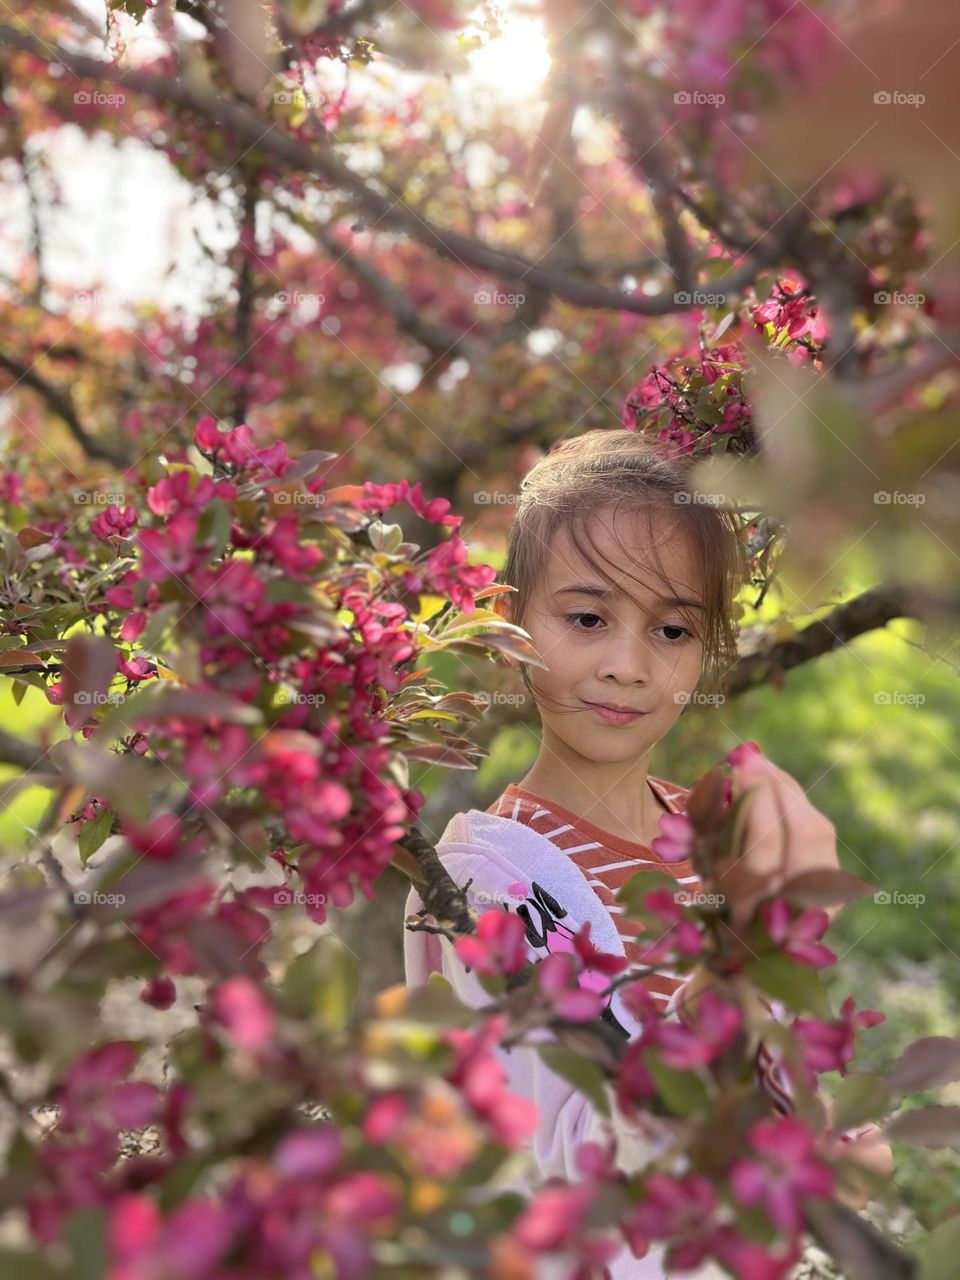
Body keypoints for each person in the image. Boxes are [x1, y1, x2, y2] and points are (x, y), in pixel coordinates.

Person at [403, 430, 892, 1277]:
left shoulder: (705, 835)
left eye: (671, 629)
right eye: (586, 618)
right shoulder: (491, 881)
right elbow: (566, 1169)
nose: (627, 666)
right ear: (512, 623)